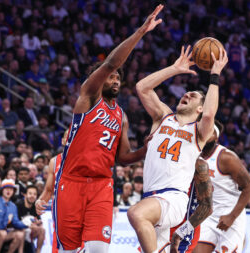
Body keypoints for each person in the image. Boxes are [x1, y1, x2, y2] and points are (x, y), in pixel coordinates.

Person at [53, 5, 163, 253]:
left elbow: (122, 158)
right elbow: (112, 61)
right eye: (110, 76)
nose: (114, 80)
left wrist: (146, 149)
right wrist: (140, 32)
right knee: (69, 250)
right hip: (71, 181)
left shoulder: (121, 116)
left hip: (102, 184)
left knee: (98, 250)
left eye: (118, 78)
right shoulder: (89, 97)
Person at [128, 44, 228, 253]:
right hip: (151, 198)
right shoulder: (163, 117)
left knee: (136, 214)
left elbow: (209, 115)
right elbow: (142, 87)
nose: (187, 95)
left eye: (193, 96)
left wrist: (215, 75)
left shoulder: (199, 131)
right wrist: (174, 69)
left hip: (173, 198)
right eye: (187, 93)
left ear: (200, 108)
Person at [171, 123, 250, 253]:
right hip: (206, 214)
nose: (206, 134)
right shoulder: (192, 156)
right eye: (204, 131)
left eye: (211, 132)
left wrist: (232, 216)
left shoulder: (226, 157)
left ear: (217, 137)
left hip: (230, 213)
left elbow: (249, 186)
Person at [36, 129, 68, 253]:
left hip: (80, 206)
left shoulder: (85, 160)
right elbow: (49, 189)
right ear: (63, 140)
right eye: (67, 137)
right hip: (60, 206)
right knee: (58, 242)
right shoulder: (54, 161)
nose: (70, 139)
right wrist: (40, 200)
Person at [0, 179, 28, 253]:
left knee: (20, 234)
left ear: (13, 192)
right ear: (2, 190)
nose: (9, 191)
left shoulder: (13, 206)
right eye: (6, 189)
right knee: (3, 233)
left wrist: (27, 224)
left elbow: (15, 222)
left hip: (3, 231)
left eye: (11, 189)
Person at [16, 185, 45, 253]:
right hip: (20, 231)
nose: (32, 196)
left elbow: (39, 222)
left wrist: (38, 223)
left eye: (34, 194)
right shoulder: (18, 205)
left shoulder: (36, 207)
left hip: (31, 232)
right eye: (30, 193)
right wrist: (29, 226)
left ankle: (38, 251)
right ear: (25, 195)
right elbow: (15, 223)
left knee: (42, 230)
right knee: (23, 231)